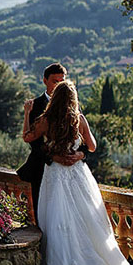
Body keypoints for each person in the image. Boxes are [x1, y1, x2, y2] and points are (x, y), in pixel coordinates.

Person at [23, 79, 133, 265]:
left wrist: (27, 114)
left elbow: (27, 137)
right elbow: (92, 146)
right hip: (78, 174)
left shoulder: (46, 120)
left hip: (57, 174)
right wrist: (79, 154)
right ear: (73, 99)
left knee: (58, 219)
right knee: (87, 217)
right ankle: (97, 263)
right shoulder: (79, 120)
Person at [16, 63, 82, 222]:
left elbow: (83, 138)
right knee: (43, 214)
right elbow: (34, 143)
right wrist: (53, 158)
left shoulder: (73, 106)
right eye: (55, 81)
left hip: (70, 171)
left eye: (62, 81)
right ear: (45, 81)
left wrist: (81, 154)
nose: (59, 85)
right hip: (41, 168)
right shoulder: (35, 106)